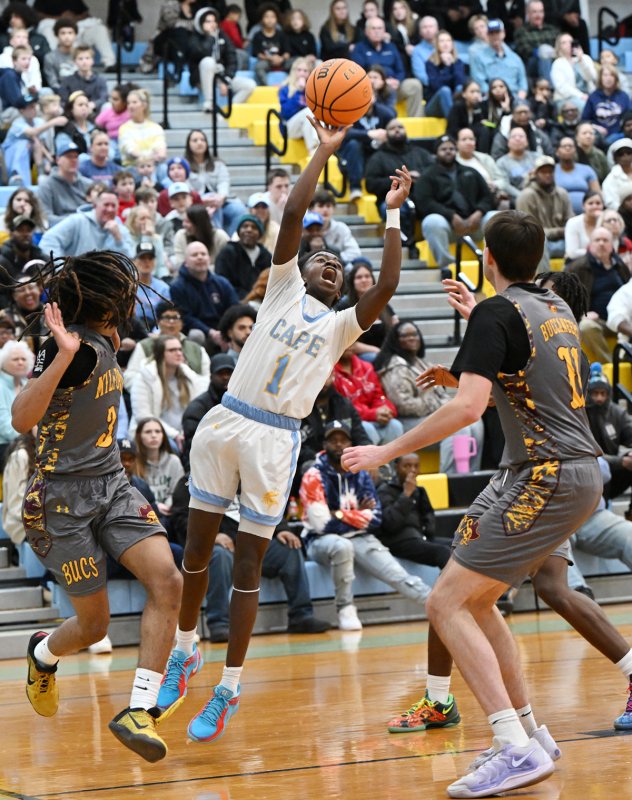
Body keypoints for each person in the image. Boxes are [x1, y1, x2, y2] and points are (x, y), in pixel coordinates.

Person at [155, 119, 411, 743]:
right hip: (225, 420)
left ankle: (229, 687)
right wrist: (323, 150)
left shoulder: (342, 326)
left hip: (274, 437)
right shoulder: (281, 291)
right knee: (195, 552)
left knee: (248, 562)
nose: (328, 264)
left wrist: (391, 216)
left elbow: (387, 284)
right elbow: (294, 212)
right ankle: (186, 651)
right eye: (320, 258)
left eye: (336, 264)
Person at [342, 210, 602, 797]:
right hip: (562, 470)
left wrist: (385, 452)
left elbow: (466, 408)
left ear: (487, 258)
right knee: (477, 602)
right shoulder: (555, 309)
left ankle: (512, 748)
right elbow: (524, 376)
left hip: (546, 473)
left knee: (446, 602)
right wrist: (478, 326)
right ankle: (530, 734)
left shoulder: (497, 313)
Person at [13, 250, 181, 762]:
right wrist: (61, 356)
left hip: (112, 483)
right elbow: (21, 418)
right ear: (103, 300)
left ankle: (139, 709)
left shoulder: (109, 336)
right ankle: (44, 653)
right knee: (94, 626)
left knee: (168, 581)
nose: (132, 297)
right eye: (122, 291)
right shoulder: (67, 347)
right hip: (60, 499)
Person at [301, 420, 432, 632]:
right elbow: (321, 524)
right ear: (324, 445)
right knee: (342, 546)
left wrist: (338, 513)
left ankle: (436, 604)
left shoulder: (361, 474)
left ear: (351, 444)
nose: (339, 444)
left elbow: (375, 518)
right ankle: (345, 609)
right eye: (333, 440)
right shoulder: (313, 475)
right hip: (319, 540)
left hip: (360, 537)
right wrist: (357, 514)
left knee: (397, 574)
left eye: (343, 440)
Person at [375, 320, 484, 472]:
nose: (411, 338)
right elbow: (402, 405)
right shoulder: (395, 366)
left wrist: (450, 406)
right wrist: (436, 405)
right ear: (396, 340)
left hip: (427, 416)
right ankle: (453, 478)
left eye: (414, 334)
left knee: (473, 421)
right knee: (457, 428)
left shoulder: (420, 362)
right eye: (405, 335)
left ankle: (471, 474)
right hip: (407, 422)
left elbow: (441, 395)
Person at [417, 134, 496, 269]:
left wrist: (478, 213)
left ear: (456, 151)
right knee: (431, 222)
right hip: (448, 227)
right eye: (443, 149)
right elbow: (425, 203)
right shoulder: (427, 175)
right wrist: (451, 215)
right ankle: (447, 267)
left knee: (497, 217)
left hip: (475, 224)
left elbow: (487, 197)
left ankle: (497, 262)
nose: (448, 151)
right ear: (436, 153)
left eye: (451, 149)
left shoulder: (471, 172)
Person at [129, 334, 208, 447]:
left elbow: (199, 403)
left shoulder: (189, 375)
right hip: (153, 433)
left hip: (184, 433)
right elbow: (143, 415)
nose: (179, 353)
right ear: (160, 354)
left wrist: (186, 432)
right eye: (172, 350)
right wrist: (174, 435)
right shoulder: (144, 377)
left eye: (180, 349)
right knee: (172, 447)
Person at [565, 226, 629, 363]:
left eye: (605, 240)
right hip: (597, 322)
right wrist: (581, 314)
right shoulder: (576, 267)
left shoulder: (620, 265)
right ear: (590, 244)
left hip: (623, 321)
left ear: (612, 245)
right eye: (597, 240)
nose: (601, 243)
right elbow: (563, 298)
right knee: (586, 326)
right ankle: (610, 366)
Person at [377, 453, 451, 568]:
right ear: (396, 467)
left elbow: (429, 516)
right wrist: (406, 494)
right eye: (407, 466)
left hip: (419, 537)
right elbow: (390, 524)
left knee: (460, 546)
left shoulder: (420, 491)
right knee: (442, 552)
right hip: (398, 540)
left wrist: (427, 531)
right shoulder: (384, 490)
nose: (413, 470)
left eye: (416, 466)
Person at [169, 240, 239, 347]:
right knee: (196, 334)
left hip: (223, 331)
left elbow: (234, 308)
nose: (200, 257)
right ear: (186, 262)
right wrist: (210, 332)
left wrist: (226, 331)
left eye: (203, 254)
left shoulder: (222, 283)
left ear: (209, 259)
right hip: (197, 333)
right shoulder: (177, 287)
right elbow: (185, 318)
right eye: (194, 255)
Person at [350, 16, 422, 118]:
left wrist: (397, 81)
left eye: (380, 28)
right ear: (366, 32)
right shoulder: (359, 48)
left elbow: (401, 71)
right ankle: (386, 120)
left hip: (393, 85)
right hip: (371, 88)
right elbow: (358, 74)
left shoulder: (391, 47)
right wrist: (381, 81)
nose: (377, 31)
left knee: (414, 84)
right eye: (373, 28)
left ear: (384, 31)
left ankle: (415, 121)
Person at [188, 6, 255, 113]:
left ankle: (228, 111)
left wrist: (226, 79)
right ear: (200, 23)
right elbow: (201, 53)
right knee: (208, 62)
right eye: (208, 21)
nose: (212, 24)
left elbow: (232, 58)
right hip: (202, 78)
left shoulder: (222, 35)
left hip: (221, 76)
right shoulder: (194, 38)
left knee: (249, 85)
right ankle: (209, 102)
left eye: (214, 21)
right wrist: (210, 37)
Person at [585, 366, 632, 518]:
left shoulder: (617, 412)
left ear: (608, 394)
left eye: (603, 393)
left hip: (612, 470)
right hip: (587, 469)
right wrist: (620, 461)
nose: (599, 398)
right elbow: (585, 453)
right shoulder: (579, 414)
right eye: (595, 394)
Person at [333, 345, 404, 445]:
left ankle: (390, 456)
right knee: (366, 428)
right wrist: (372, 414)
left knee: (395, 425)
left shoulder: (366, 367)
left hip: (372, 416)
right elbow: (341, 407)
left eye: (352, 342)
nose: (349, 345)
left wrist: (385, 409)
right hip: (347, 420)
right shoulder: (331, 371)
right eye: (345, 342)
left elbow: (378, 395)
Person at [39, 188, 135, 259]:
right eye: (106, 205)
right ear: (95, 206)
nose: (110, 209)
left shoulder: (121, 230)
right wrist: (62, 269)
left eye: (113, 206)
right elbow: (49, 241)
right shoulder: (77, 221)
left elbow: (131, 262)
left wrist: (119, 240)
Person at [515, 154, 574, 269]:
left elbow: (571, 223)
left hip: (563, 241)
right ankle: (542, 279)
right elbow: (528, 231)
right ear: (535, 174)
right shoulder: (526, 196)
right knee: (538, 240)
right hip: (537, 244)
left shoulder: (562, 193)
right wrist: (560, 231)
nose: (548, 175)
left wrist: (569, 231)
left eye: (550, 172)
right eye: (543, 172)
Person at [134, 417, 184, 522]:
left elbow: (178, 492)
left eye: (158, 431)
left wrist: (167, 505)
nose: (153, 435)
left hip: (170, 512)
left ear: (163, 435)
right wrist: (155, 507)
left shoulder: (174, 461)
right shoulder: (134, 463)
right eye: (148, 432)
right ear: (139, 436)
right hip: (144, 516)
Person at [36, 137, 92, 226]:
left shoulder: (88, 184)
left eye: (76, 157)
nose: (73, 160)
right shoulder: (46, 185)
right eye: (69, 157)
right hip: (60, 230)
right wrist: (75, 222)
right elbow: (46, 218)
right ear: (58, 160)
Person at [469, 19, 527, 100]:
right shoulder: (479, 57)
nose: (495, 36)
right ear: (487, 36)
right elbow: (480, 83)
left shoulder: (515, 58)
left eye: (497, 32)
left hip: (514, 98)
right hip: (491, 98)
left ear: (503, 33)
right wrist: (495, 96)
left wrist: (519, 99)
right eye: (491, 33)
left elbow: (523, 84)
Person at [118, 88, 167, 168]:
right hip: (133, 166)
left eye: (134, 102)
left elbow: (161, 152)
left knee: (163, 168)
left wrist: (150, 159)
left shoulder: (156, 128)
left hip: (153, 165)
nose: (130, 106)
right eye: (128, 103)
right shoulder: (124, 128)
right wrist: (149, 157)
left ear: (144, 105)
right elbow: (131, 150)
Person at [581, 67, 630, 146]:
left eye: (611, 75)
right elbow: (584, 120)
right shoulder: (593, 96)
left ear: (616, 78)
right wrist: (596, 127)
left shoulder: (623, 96)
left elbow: (629, 117)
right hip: (598, 136)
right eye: (605, 75)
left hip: (619, 135)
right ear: (600, 78)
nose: (608, 78)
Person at [424, 29, 466, 119]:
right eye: (442, 41)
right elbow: (436, 86)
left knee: (460, 88)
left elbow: (460, 82)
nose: (446, 44)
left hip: (453, 102)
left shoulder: (458, 62)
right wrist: (447, 68)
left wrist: (451, 64)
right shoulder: (430, 63)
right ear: (437, 44)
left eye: (448, 41)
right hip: (435, 105)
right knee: (445, 90)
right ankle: (454, 123)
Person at [550, 33, 596, 111]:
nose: (568, 44)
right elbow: (562, 87)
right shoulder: (558, 63)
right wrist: (581, 96)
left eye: (570, 41)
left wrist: (581, 61)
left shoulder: (585, 58)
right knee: (587, 108)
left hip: (589, 95)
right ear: (559, 47)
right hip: (566, 98)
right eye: (564, 42)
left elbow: (591, 77)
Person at [554, 136, 600, 215]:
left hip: (586, 215)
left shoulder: (587, 169)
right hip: (558, 215)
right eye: (564, 146)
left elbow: (597, 194)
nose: (568, 148)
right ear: (557, 152)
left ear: (575, 150)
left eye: (570, 146)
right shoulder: (551, 171)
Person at [564, 190, 604, 259]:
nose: (595, 206)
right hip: (578, 262)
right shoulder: (573, 223)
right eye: (590, 203)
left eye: (598, 203)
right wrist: (597, 252)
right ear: (583, 206)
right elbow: (572, 253)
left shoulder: (606, 221)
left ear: (603, 206)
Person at [603, 138, 632, 211]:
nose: (625, 156)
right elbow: (611, 203)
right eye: (621, 154)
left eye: (629, 153)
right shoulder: (610, 180)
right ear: (615, 158)